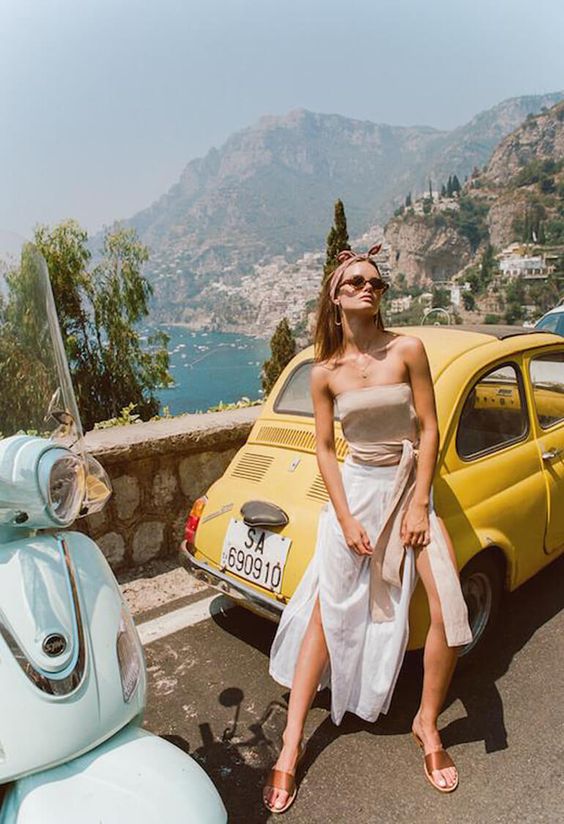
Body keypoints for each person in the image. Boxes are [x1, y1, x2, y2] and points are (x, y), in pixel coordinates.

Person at [263, 244, 472, 813]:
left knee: (451, 612)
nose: (367, 288)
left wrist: (419, 503)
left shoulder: (407, 350)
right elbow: (324, 449)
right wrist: (346, 516)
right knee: (327, 615)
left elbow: (429, 430)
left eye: (376, 283)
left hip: (408, 489)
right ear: (335, 296)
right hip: (354, 495)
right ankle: (290, 745)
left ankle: (427, 723)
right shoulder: (323, 372)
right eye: (355, 280)